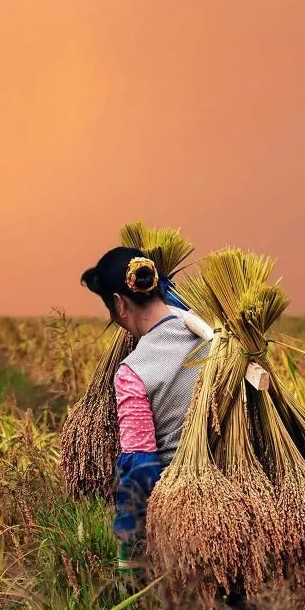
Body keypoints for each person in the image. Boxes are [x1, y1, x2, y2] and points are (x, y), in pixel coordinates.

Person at [81, 247, 207, 577]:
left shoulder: (133, 371)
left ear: (120, 304)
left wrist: (129, 548)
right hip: (237, 488)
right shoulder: (215, 336)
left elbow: (140, 468)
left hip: (182, 508)